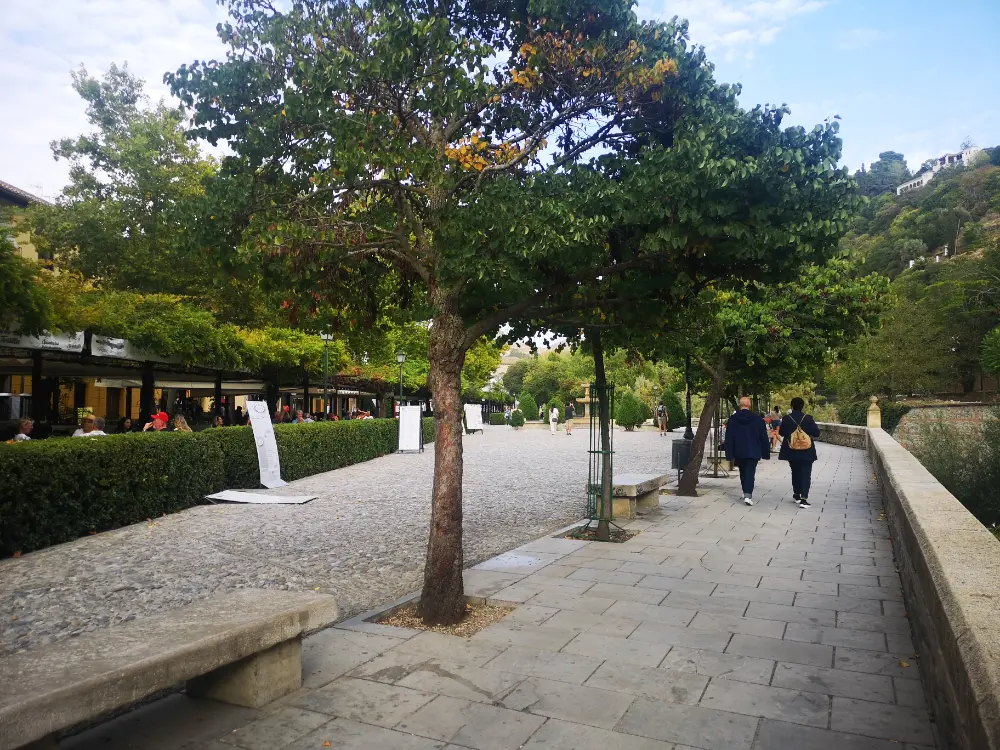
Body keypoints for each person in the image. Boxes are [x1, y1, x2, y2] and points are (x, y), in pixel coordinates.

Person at [723, 397, 771, 506]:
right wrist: (765, 452)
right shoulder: (758, 419)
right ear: (749, 405)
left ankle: (745, 492)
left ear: (740, 405)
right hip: (753, 449)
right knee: (750, 471)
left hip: (739, 449)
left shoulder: (733, 419)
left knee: (743, 471)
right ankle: (748, 494)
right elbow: (763, 437)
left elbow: (729, 437)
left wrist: (729, 454)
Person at [778, 396, 821, 509]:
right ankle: (804, 499)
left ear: (791, 406)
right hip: (807, 451)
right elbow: (816, 433)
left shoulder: (786, 419)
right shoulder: (808, 418)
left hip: (791, 450)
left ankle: (796, 494)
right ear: (802, 407)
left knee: (795, 471)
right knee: (806, 474)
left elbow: (781, 433)